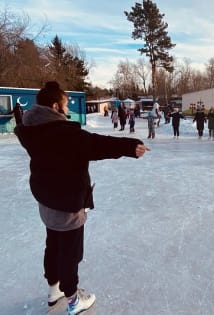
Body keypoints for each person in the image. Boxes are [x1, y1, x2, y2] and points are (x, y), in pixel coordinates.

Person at [14, 81, 150, 315]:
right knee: (70, 252)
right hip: (66, 203)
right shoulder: (62, 133)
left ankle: (53, 290)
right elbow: (97, 144)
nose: (67, 110)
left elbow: (90, 144)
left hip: (47, 201)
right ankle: (74, 300)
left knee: (53, 245)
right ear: (56, 106)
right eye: (65, 105)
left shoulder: (30, 130)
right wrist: (130, 147)